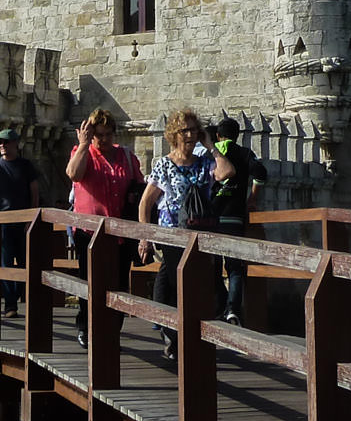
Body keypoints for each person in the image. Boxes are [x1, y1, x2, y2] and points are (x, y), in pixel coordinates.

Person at [136, 109, 232, 359]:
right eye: (184, 131)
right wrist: (145, 236)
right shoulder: (164, 165)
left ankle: (186, 336)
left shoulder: (203, 163)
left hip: (200, 234)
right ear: (174, 135)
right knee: (177, 284)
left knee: (197, 285)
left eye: (193, 130)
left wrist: (209, 145)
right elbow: (145, 203)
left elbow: (226, 172)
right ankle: (174, 336)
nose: (189, 135)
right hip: (171, 235)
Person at [66, 109, 141, 348]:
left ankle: (112, 331)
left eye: (108, 134)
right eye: (100, 135)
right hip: (89, 233)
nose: (105, 139)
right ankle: (86, 328)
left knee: (119, 284)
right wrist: (84, 144)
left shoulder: (126, 156)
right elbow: (73, 174)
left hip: (120, 233)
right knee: (89, 282)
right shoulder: (83, 152)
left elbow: (140, 187)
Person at [209, 116, 266, 325]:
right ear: (237, 135)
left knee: (212, 264)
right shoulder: (244, 153)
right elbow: (260, 173)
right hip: (234, 217)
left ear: (217, 135)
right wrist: (252, 197)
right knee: (234, 267)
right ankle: (233, 309)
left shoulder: (212, 152)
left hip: (211, 218)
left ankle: (218, 306)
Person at [0, 128, 42, 317]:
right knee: (6, 263)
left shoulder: (26, 165)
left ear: (16, 144)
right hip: (2, 221)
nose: (2, 145)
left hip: (23, 221)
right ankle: (10, 305)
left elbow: (34, 191)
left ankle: (23, 297)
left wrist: (32, 218)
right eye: (0, 142)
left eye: (6, 142)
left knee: (25, 263)